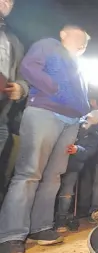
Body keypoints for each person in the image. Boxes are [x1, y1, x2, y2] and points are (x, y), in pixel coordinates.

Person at [0, 25, 91, 253]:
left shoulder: (80, 66)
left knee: (54, 176)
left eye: (86, 44)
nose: (83, 44)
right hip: (44, 112)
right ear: (64, 33)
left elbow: (81, 94)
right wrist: (55, 88)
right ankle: (10, 235)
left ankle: (40, 227)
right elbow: (29, 68)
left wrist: (84, 110)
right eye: (80, 38)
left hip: (71, 121)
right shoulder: (49, 45)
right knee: (30, 172)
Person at [55, 110, 98, 232]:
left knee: (66, 192)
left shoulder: (95, 136)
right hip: (56, 160)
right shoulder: (74, 121)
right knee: (50, 189)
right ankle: (45, 219)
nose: (92, 115)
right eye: (93, 113)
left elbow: (89, 152)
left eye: (96, 116)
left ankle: (60, 220)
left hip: (73, 165)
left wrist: (77, 149)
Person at [0, 1, 29, 156]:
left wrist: (21, 88)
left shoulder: (14, 40)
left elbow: (23, 76)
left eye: (10, 1)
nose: (6, 2)